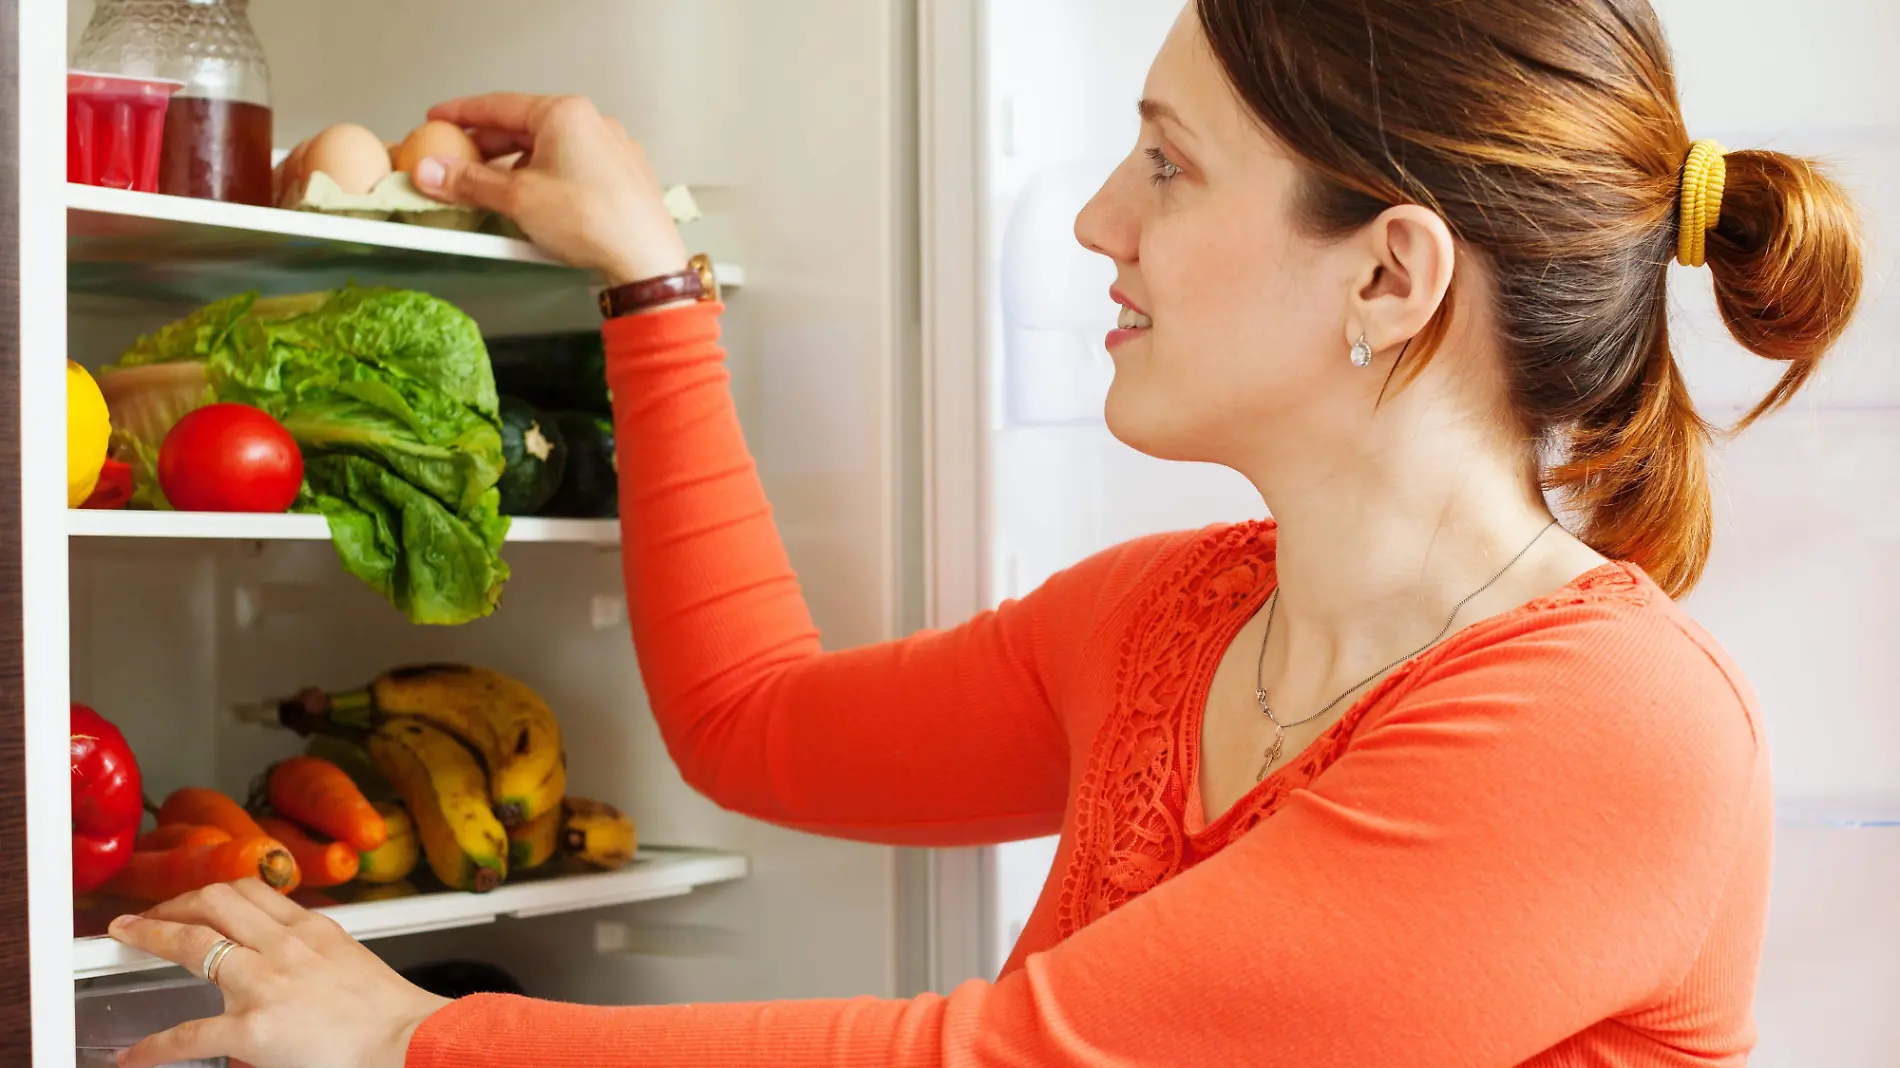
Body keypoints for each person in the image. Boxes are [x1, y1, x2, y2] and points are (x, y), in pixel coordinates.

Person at [108, 2, 1864, 1066]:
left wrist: (422, 1035)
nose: (1099, 219)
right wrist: (653, 279)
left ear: (1389, 275)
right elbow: (752, 719)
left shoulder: (1602, 732)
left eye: (1167, 165)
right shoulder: (1166, 626)